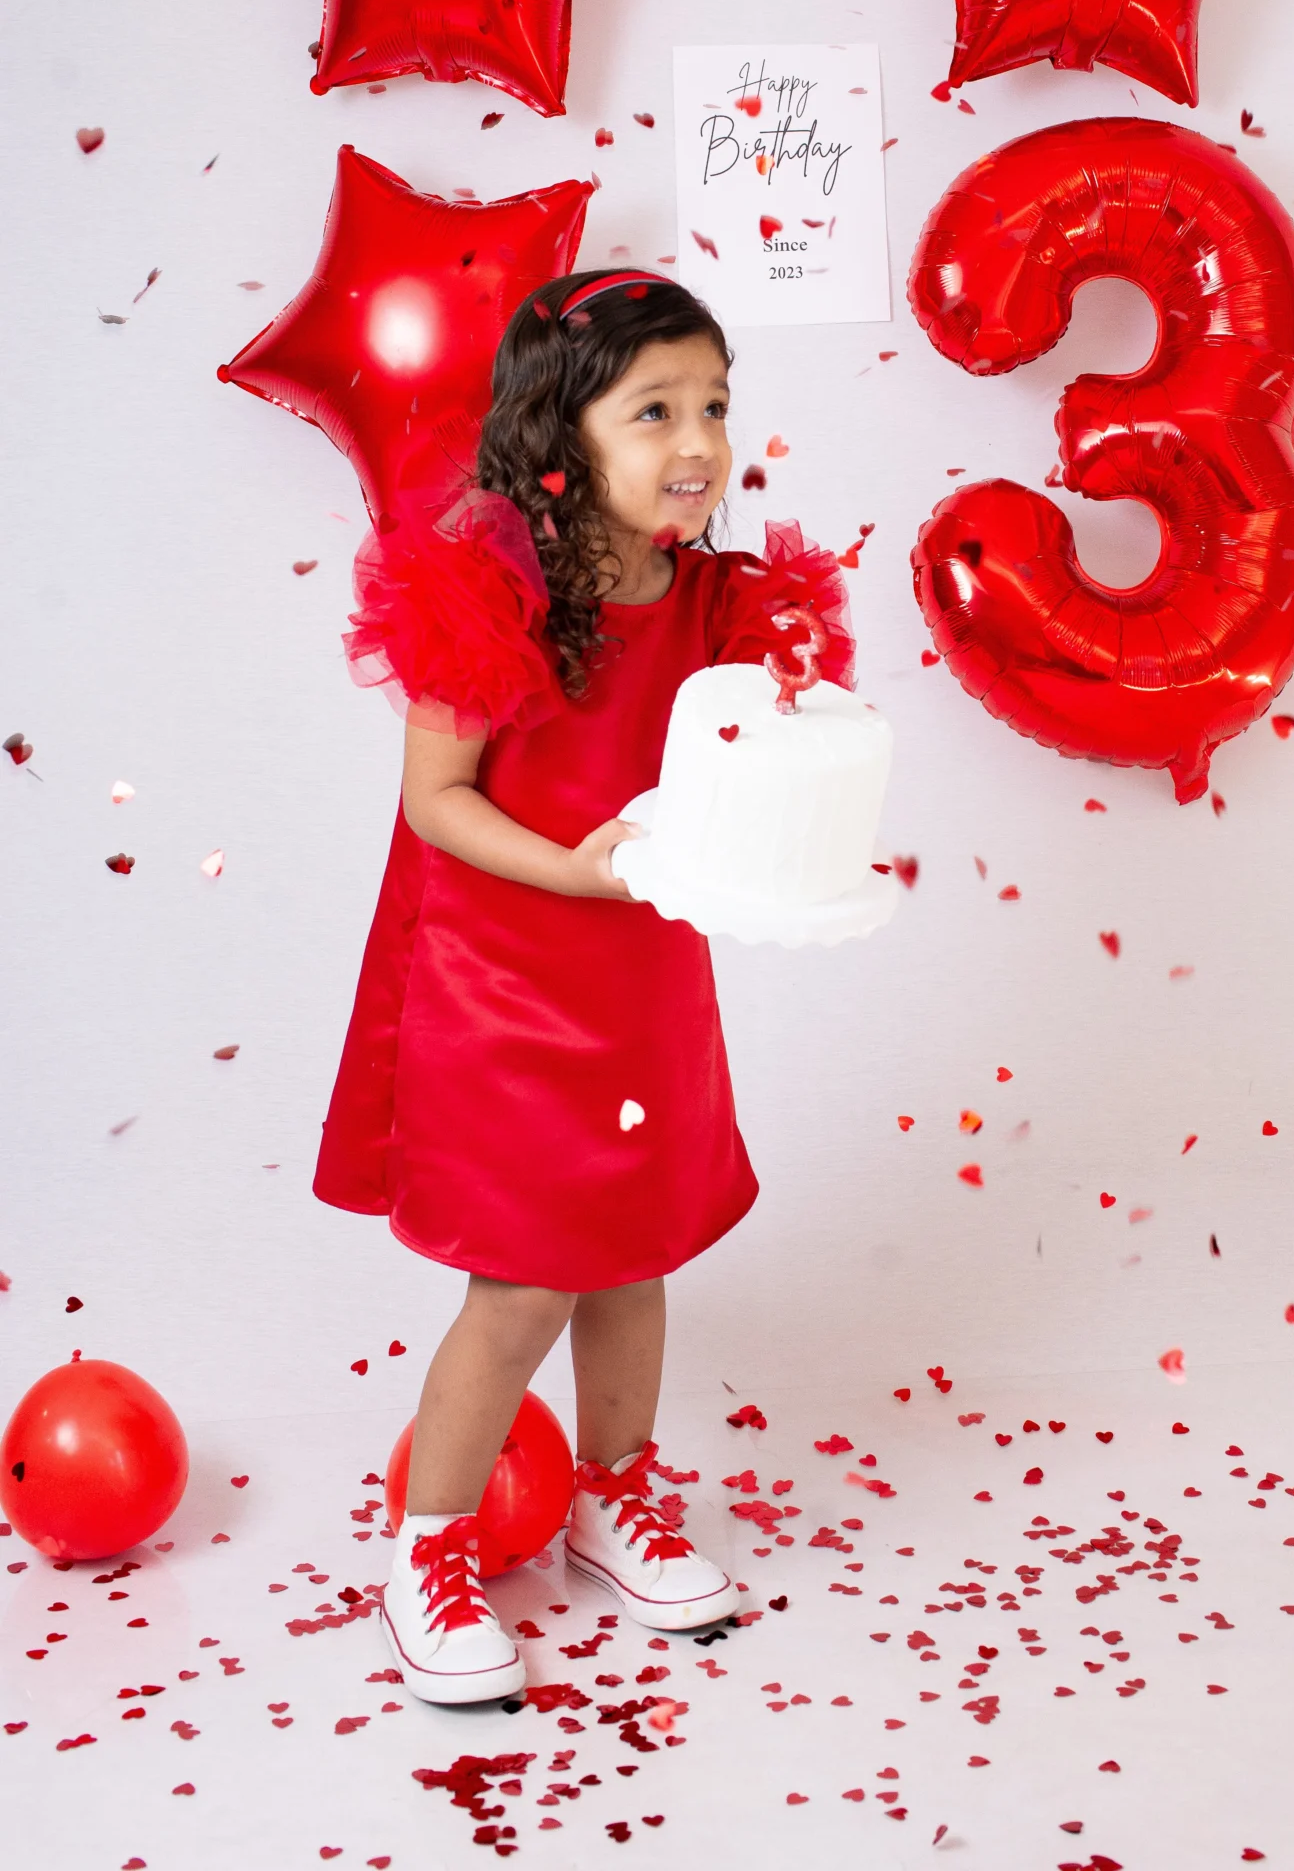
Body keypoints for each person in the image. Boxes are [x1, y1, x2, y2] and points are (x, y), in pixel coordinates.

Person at [312, 267, 855, 1704]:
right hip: (505, 988)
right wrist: (579, 870)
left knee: (633, 1254)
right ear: (561, 433)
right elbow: (438, 800)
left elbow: (765, 771)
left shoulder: (721, 602)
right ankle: (428, 1548)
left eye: (715, 406)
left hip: (645, 980)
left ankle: (615, 1495)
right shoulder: (489, 591)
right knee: (521, 1285)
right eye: (654, 410)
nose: (699, 441)